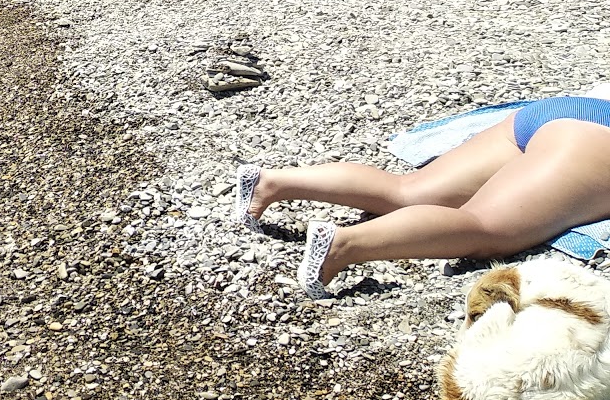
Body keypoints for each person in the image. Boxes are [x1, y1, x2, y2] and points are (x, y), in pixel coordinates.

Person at [234, 95, 610, 299]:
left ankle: (272, 183)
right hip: (595, 140)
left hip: (568, 107)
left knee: (408, 189)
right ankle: (345, 246)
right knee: (484, 226)